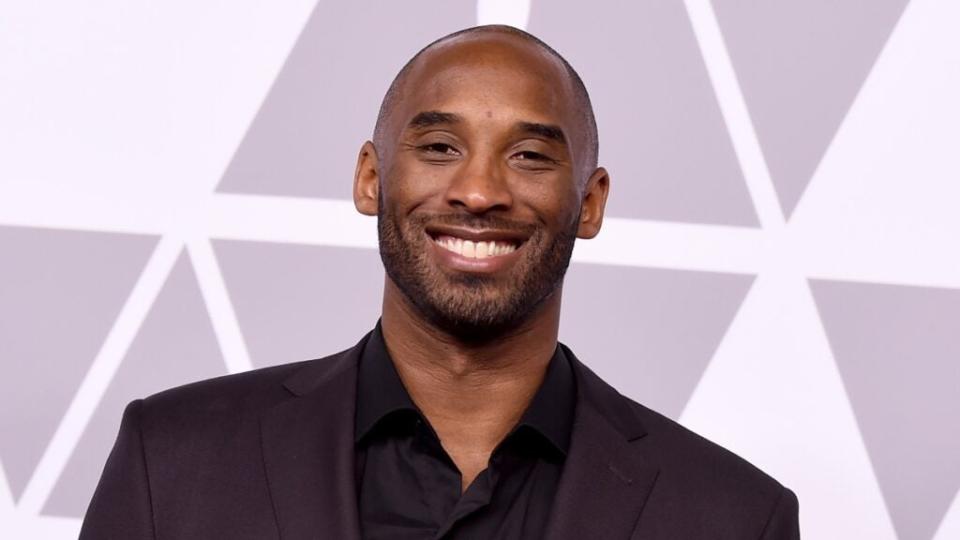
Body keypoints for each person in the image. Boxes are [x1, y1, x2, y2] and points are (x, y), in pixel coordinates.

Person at [80, 25, 800, 539]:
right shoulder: (172, 461)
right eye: (439, 147)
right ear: (371, 178)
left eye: (529, 156)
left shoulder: (732, 516)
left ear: (590, 203)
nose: (479, 191)